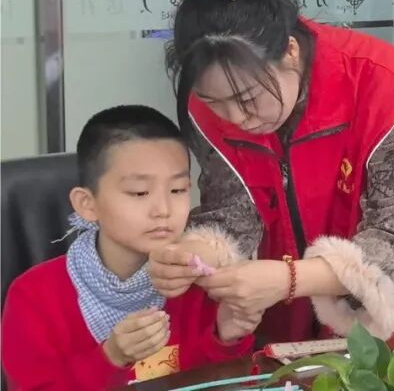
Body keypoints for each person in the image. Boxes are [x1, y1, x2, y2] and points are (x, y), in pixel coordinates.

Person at [148, 0, 394, 342]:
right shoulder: (205, 104)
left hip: (383, 297)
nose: (235, 119)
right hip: (277, 294)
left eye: (248, 99)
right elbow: (232, 212)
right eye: (215, 102)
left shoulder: (382, 84)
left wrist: (289, 278)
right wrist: (196, 255)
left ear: (290, 51)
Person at [1, 106, 256, 389]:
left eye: (178, 190)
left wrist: (226, 337)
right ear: (87, 204)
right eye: (139, 192)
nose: (163, 210)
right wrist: (111, 357)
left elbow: (225, 381)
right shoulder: (33, 297)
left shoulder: (199, 282)